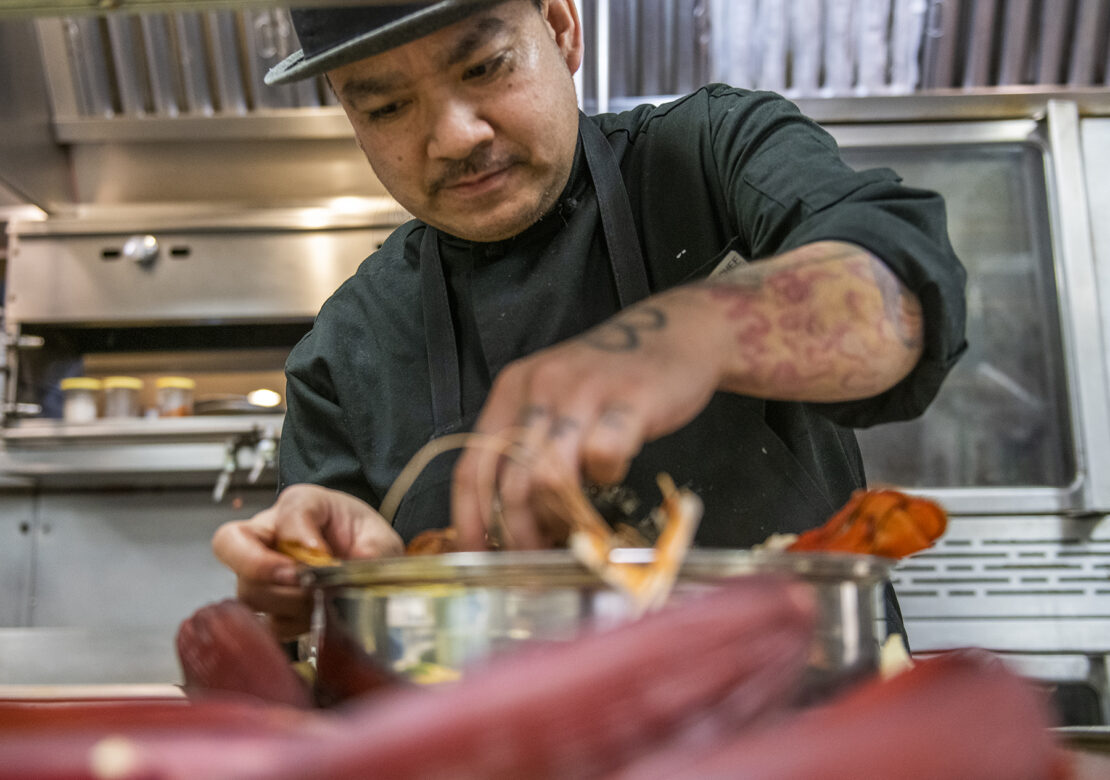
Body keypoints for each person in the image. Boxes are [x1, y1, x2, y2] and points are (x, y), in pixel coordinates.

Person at [212, 0, 967, 640]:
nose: (455, 135)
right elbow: (336, 642)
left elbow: (900, 287)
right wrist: (329, 582)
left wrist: (689, 336)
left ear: (564, 28)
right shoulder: (344, 353)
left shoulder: (709, 154)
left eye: (484, 68)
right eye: (385, 107)